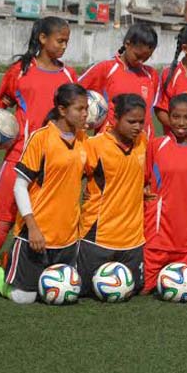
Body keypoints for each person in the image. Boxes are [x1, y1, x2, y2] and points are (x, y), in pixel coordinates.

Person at [0, 16, 76, 297]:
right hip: (20, 154)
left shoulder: (69, 76)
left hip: (55, 160)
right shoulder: (19, 72)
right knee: (5, 217)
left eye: (67, 40)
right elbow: (1, 108)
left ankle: (33, 268)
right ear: (42, 38)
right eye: (60, 40)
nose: (65, 45)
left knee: (46, 217)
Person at [4, 83, 89, 304]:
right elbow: (19, 186)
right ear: (62, 110)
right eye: (79, 109)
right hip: (36, 236)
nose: (85, 114)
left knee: (61, 295)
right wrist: (32, 227)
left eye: (86, 109)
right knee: (24, 298)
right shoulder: (41, 138)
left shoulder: (84, 140)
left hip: (68, 238)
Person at [76, 93, 149, 296]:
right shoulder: (95, 146)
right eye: (131, 121)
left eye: (141, 122)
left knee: (136, 291)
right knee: (82, 292)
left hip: (133, 241)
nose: (137, 126)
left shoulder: (143, 141)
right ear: (114, 119)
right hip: (97, 238)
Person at [143, 94, 187, 293]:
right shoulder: (156, 146)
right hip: (158, 236)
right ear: (168, 118)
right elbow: (142, 178)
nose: (181, 122)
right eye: (175, 117)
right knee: (144, 289)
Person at [78, 23, 159, 135]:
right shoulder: (106, 68)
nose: (141, 61)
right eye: (137, 56)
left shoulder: (151, 75)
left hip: (142, 145)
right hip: (109, 143)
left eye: (146, 58)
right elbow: (73, 91)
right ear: (127, 44)